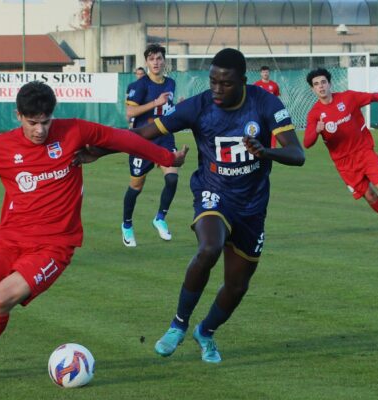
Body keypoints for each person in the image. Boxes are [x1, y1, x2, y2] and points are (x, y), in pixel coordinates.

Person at [0, 81, 188, 386]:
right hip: (8, 238)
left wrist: (166, 158)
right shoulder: (1, 146)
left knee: (1, 298)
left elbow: (123, 139)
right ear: (18, 116)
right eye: (32, 122)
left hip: (53, 247)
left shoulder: (74, 131)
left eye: (46, 122)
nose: (40, 130)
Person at [78, 48, 305, 363]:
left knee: (237, 285)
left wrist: (266, 152)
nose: (216, 89)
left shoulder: (265, 103)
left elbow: (297, 154)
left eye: (225, 83)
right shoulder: (198, 106)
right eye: (212, 81)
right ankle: (178, 325)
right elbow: (144, 132)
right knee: (209, 247)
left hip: (252, 204)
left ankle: (206, 331)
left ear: (243, 81)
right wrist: (100, 151)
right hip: (213, 193)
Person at [304, 68, 378, 237]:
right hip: (344, 163)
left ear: (329, 83)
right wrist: (317, 131)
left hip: (363, 151)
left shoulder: (347, 97)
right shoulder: (314, 114)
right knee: (370, 196)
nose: (321, 87)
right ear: (312, 89)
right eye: (316, 84)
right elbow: (307, 143)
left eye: (323, 82)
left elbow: (371, 97)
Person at [122, 43, 178, 247]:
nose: (156, 62)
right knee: (136, 186)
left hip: (165, 139)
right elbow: (129, 113)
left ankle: (160, 218)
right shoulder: (139, 86)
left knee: (172, 179)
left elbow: (167, 110)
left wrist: (175, 108)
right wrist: (155, 103)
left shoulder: (171, 83)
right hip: (142, 142)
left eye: (159, 58)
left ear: (164, 61)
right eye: (152, 59)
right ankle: (127, 225)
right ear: (146, 62)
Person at [254, 66, 281, 149]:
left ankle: (272, 146)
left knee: (274, 127)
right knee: (260, 128)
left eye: (266, 72)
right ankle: (259, 144)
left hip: (271, 110)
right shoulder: (256, 85)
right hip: (260, 111)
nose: (265, 73)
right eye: (263, 72)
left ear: (269, 73)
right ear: (261, 73)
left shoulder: (274, 85)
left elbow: (276, 97)